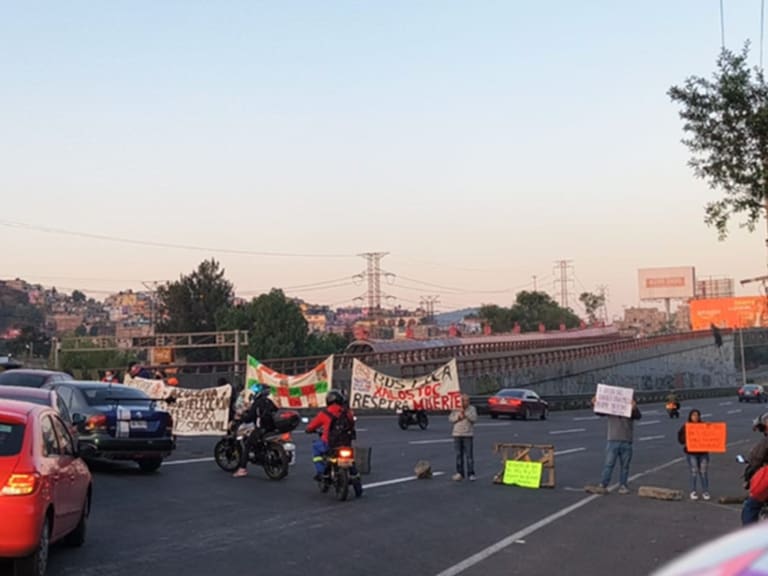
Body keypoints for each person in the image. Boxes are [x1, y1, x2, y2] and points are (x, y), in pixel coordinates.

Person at [304, 390, 363, 497]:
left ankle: (321, 472)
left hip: (329, 444)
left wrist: (308, 430)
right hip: (346, 444)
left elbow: (311, 427)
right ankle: (358, 486)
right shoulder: (347, 413)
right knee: (352, 464)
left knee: (316, 449)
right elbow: (352, 425)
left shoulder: (325, 413)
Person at [592, 396, 642, 494]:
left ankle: (623, 485)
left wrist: (634, 407)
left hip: (626, 441)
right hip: (613, 440)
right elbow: (599, 412)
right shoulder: (611, 408)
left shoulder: (631, 410)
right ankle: (603, 484)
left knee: (625, 466)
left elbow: (638, 416)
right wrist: (595, 404)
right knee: (609, 464)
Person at [232, 383, 278, 478]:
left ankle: (242, 469)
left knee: (247, 445)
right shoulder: (269, 402)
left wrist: (241, 418)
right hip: (271, 428)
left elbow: (250, 417)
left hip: (261, 428)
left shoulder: (257, 403)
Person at [741, 412, 768, 524]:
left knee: (751, 506)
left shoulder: (765, 442)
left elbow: (756, 460)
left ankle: (749, 535)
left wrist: (748, 475)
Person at [677, 409, 710, 500]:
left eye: (697, 415)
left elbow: (710, 436)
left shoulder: (704, 426)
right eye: (693, 415)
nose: (695, 417)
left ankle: (705, 491)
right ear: (690, 416)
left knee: (703, 472)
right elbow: (680, 439)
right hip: (691, 453)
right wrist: (687, 438)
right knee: (694, 472)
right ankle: (693, 491)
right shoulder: (686, 427)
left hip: (703, 453)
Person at [449, 394, 477, 482]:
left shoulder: (472, 409)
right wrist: (458, 417)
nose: (465, 402)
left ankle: (471, 473)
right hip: (457, 434)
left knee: (469, 455)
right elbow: (451, 419)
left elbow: (474, 419)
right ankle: (460, 473)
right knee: (458, 455)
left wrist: (466, 414)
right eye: (464, 400)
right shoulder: (456, 408)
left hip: (468, 434)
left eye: (467, 400)